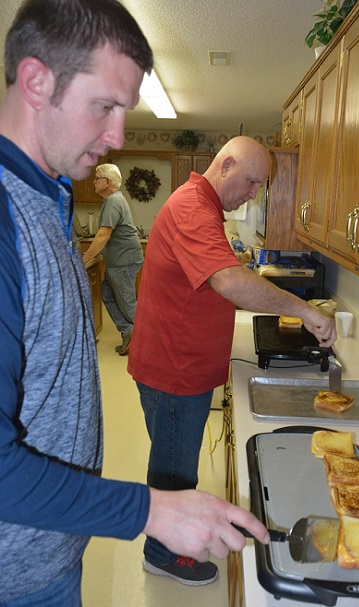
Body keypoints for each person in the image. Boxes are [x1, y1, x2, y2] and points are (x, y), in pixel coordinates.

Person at [0, 2, 269, 604]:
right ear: (38, 81)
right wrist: (148, 511)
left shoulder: (47, 198)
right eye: (105, 107)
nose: (120, 137)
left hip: (50, 552)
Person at [128, 135, 337, 585]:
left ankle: (174, 536)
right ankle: (161, 552)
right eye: (251, 182)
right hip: (175, 370)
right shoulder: (191, 206)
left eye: (259, 186)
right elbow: (228, 280)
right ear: (225, 166)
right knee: (172, 467)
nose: (253, 194)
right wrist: (302, 309)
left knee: (176, 463)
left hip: (181, 364)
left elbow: (216, 278)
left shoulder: (202, 206)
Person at [82, 163, 143, 355]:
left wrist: (85, 258)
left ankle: (144, 345)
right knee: (107, 294)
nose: (94, 182)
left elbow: (103, 235)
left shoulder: (113, 202)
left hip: (123, 262)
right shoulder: (113, 200)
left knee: (127, 303)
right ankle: (129, 333)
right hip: (120, 261)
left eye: (97, 178)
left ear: (107, 182)